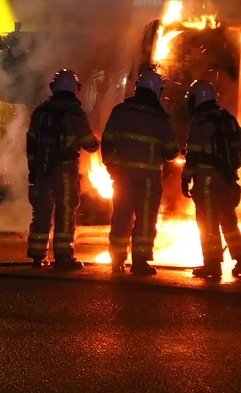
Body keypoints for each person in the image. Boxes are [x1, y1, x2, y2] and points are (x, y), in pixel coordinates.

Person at [102, 68, 179, 276]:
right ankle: (140, 262)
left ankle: (117, 260)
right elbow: (171, 151)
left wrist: (110, 165)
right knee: (145, 220)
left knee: (121, 216)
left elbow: (107, 141)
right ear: (157, 91)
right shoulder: (160, 118)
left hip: (123, 176)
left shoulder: (120, 111)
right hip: (148, 180)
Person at [25, 68, 100, 270]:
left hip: (41, 169)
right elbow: (88, 144)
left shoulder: (40, 112)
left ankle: (37, 256)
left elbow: (31, 142)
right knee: (65, 212)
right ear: (75, 89)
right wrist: (96, 143)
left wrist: (33, 167)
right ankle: (63, 257)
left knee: (41, 211)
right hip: (65, 171)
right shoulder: (75, 113)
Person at [180, 79, 241, 280]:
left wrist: (185, 179)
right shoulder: (227, 118)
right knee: (229, 221)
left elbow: (193, 155)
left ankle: (212, 264)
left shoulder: (199, 122)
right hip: (228, 180)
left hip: (207, 182)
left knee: (207, 223)